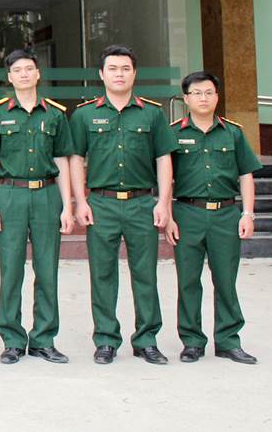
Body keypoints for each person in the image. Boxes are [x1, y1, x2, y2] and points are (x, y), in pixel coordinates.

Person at [69, 45, 176, 365]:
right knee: (102, 274)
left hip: (142, 203)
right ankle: (105, 339)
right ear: (101, 74)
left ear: (134, 73)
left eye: (125, 68)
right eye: (113, 68)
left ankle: (147, 339)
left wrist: (164, 203)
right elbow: (75, 159)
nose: (119, 74)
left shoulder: (152, 113)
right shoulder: (85, 114)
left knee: (145, 274)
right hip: (101, 204)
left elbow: (164, 159)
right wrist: (80, 200)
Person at [0, 49, 75, 365]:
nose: (23, 74)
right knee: (11, 270)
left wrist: (67, 205)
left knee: (47, 269)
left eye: (29, 69)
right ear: (9, 77)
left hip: (47, 195)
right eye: (17, 70)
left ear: (38, 74)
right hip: (11, 195)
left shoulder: (54, 115)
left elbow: (62, 159)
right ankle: (11, 339)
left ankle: (44, 339)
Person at [165, 71, 261, 365]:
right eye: (196, 93)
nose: (203, 98)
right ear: (186, 98)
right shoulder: (173, 133)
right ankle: (192, 341)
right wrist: (168, 216)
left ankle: (229, 341)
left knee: (225, 280)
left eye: (208, 92)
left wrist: (247, 213)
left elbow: (246, 174)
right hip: (186, 213)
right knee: (188, 281)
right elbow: (165, 178)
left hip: (225, 215)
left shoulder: (232, 132)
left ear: (217, 97)